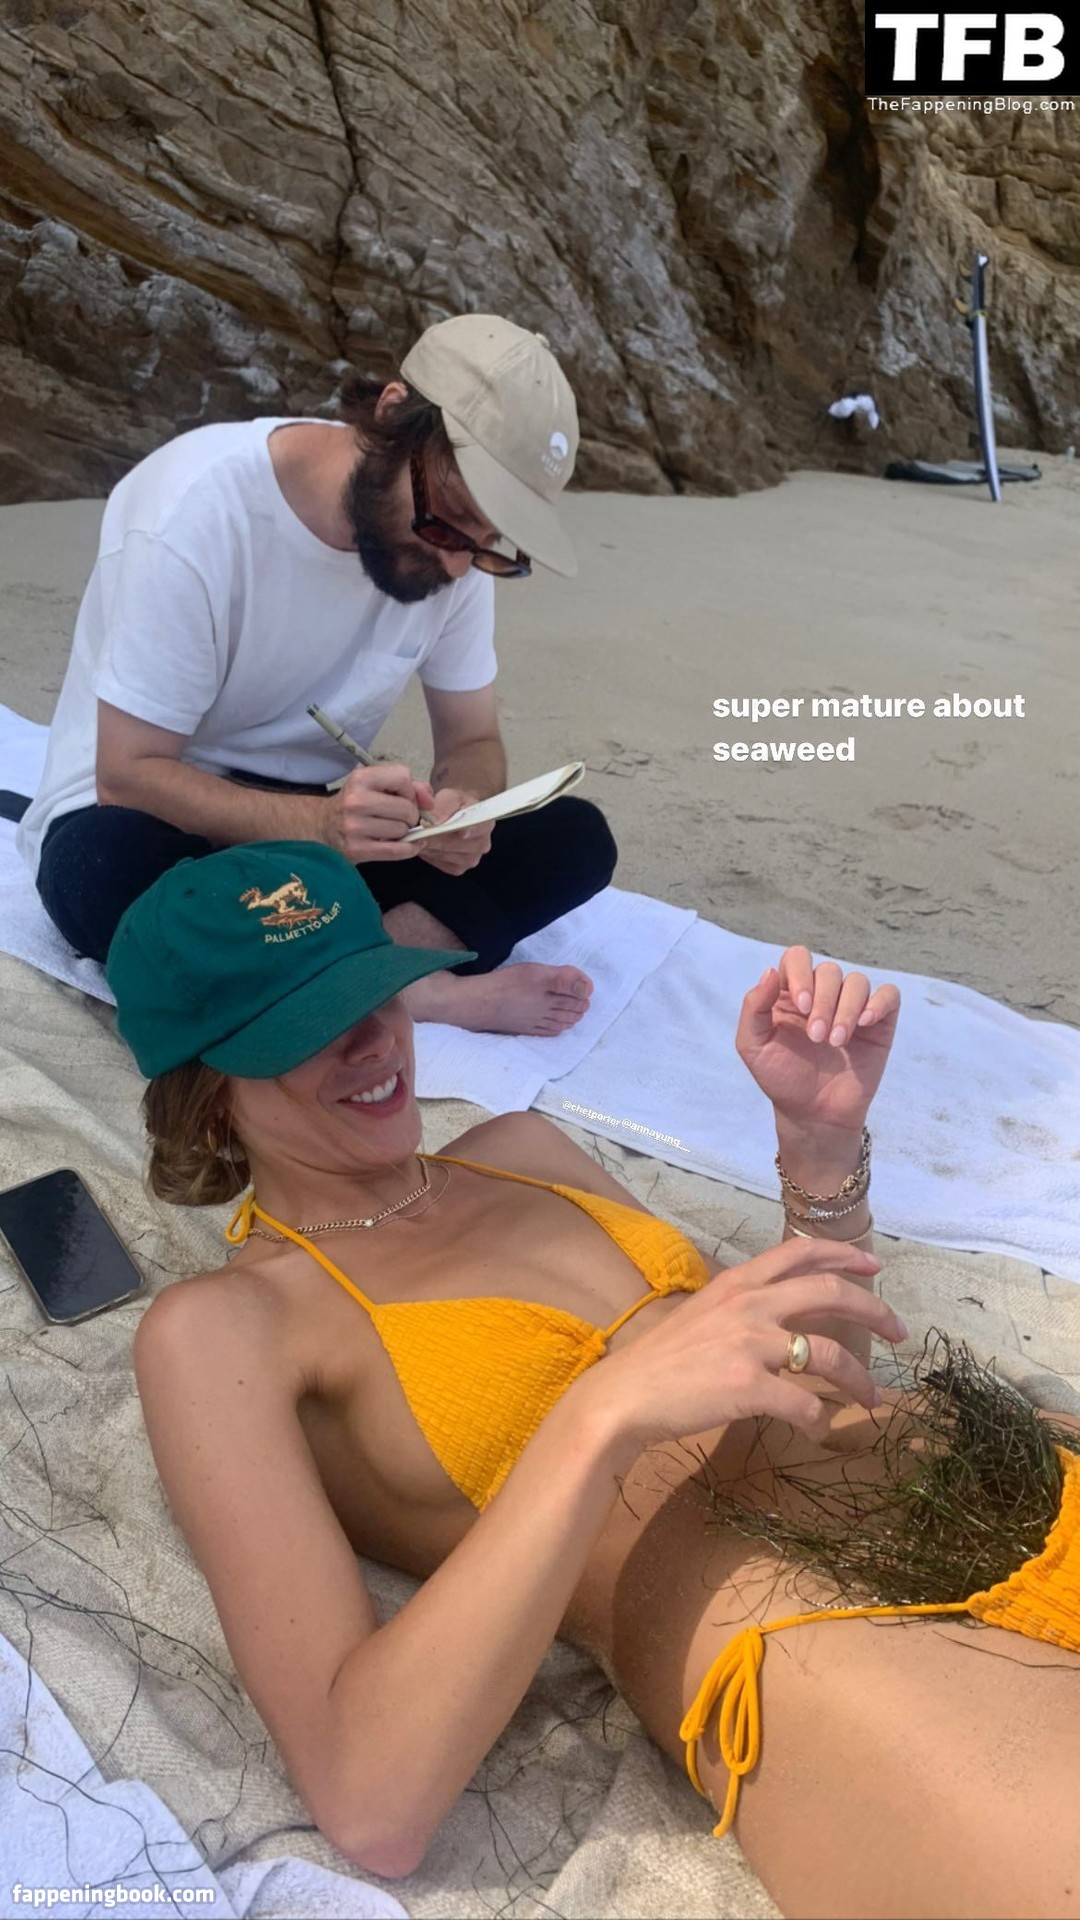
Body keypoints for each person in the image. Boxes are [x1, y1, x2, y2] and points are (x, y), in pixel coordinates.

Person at [110, 842, 1080, 1919]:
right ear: (207, 1100)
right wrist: (602, 1412)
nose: (369, 1040)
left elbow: (813, 1385)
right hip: (807, 1637)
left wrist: (819, 1158)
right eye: (303, 1029)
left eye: (371, 992)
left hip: (983, 1475)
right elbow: (369, 1794)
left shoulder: (523, 1148)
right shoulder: (226, 1329)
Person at [18, 315, 616, 1037]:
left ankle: (350, 977)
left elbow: (472, 738)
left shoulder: (452, 556)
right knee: (101, 870)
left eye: (489, 544)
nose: (459, 565)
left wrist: (465, 810)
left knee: (574, 839)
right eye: (450, 522)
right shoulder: (196, 511)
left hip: (312, 852)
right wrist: (323, 826)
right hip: (152, 821)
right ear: (392, 415)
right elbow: (129, 774)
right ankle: (405, 985)